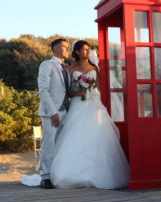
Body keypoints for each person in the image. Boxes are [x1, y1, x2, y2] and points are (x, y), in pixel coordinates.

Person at [50, 40, 130, 189]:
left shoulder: (94, 67)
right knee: (76, 137)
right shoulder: (71, 69)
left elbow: (99, 88)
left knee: (98, 137)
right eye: (84, 50)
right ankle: (72, 174)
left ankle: (100, 174)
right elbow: (67, 91)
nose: (87, 52)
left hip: (94, 104)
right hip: (78, 104)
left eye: (88, 49)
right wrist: (79, 91)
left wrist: (92, 93)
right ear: (77, 52)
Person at [37, 38, 71, 189]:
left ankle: (56, 174)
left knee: (61, 145)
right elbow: (43, 89)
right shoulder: (47, 64)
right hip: (52, 113)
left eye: (67, 47)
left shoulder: (66, 68)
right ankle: (45, 177)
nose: (66, 49)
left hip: (66, 111)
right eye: (63, 46)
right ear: (55, 49)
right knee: (49, 145)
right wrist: (53, 112)